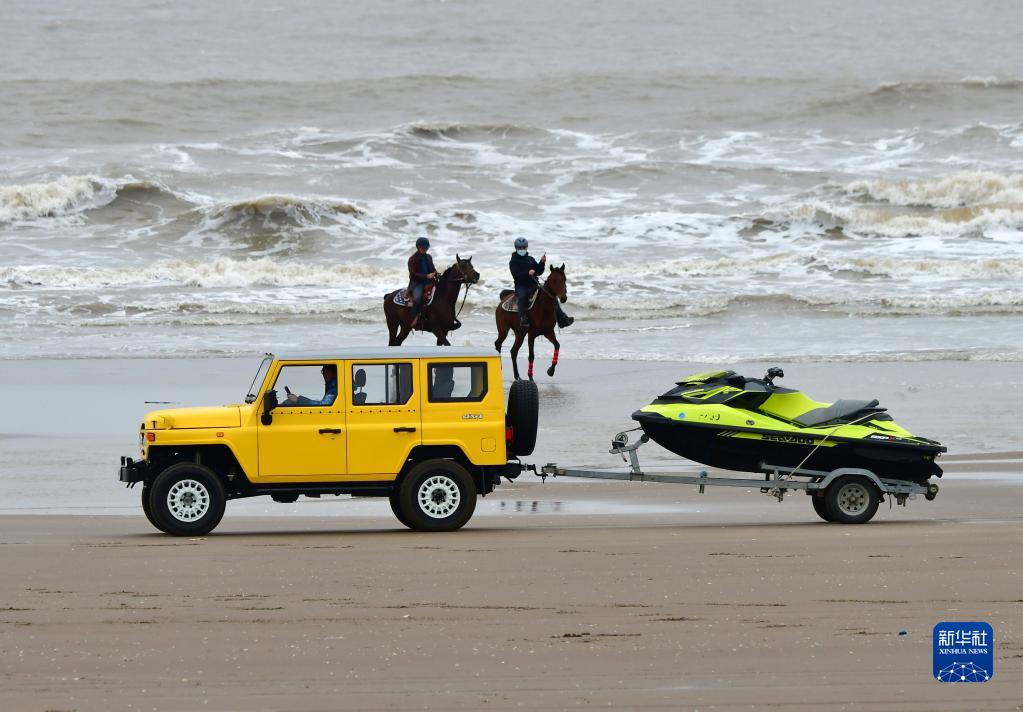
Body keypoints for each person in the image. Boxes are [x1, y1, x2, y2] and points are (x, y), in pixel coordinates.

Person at [508, 237, 573, 329]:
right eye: (520, 248)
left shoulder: (530, 259)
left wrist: (542, 263)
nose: (522, 249)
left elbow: (538, 271)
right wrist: (527, 273)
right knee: (522, 297)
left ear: (526, 248)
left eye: (523, 248)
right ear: (516, 248)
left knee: (551, 295)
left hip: (534, 285)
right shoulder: (513, 261)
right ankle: (523, 319)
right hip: (521, 286)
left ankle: (562, 319)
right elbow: (516, 275)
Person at [407, 236, 438, 328]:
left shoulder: (429, 257)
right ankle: (413, 318)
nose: (425, 249)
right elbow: (413, 274)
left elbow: (432, 269)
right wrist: (426, 276)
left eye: (426, 247)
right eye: (423, 247)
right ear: (418, 247)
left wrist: (435, 273)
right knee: (417, 299)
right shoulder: (412, 259)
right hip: (417, 283)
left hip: (429, 281)